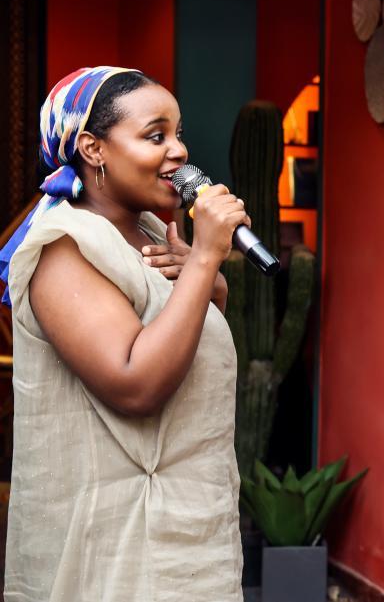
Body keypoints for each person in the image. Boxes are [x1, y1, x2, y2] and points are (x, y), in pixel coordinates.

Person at [0, 67, 249, 600]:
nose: (179, 150)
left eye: (178, 134)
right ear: (93, 149)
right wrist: (206, 258)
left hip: (191, 529)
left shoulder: (154, 233)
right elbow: (136, 386)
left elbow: (191, 350)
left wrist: (211, 284)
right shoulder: (63, 248)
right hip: (116, 549)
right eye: (156, 136)